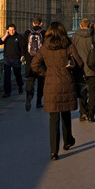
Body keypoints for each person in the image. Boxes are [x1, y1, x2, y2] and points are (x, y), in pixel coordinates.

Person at [31, 22, 82, 160]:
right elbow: (80, 63)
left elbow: (34, 64)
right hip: (66, 82)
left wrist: (46, 73)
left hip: (51, 84)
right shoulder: (68, 44)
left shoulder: (45, 47)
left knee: (53, 118)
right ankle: (67, 141)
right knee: (65, 113)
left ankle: (54, 151)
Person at [72, 18, 95, 122]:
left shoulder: (74, 37)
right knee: (93, 92)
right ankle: (91, 114)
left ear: (80, 25)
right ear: (90, 25)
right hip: (93, 69)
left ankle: (83, 112)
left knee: (82, 90)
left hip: (79, 69)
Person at [21, 17, 46, 111]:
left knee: (30, 81)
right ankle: (39, 102)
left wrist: (23, 55)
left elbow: (23, 45)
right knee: (40, 83)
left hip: (30, 61)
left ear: (33, 23)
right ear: (41, 23)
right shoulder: (43, 33)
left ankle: (29, 96)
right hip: (41, 62)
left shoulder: (27, 32)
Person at [0, 23, 24, 98]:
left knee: (17, 75)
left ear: (15, 30)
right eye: (10, 30)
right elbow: (0, 42)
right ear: (8, 31)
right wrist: (6, 35)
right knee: (7, 76)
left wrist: (22, 56)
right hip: (7, 59)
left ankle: (20, 86)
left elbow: (22, 47)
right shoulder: (6, 37)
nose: (11, 32)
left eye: (13, 30)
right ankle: (7, 92)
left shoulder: (19, 37)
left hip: (16, 59)